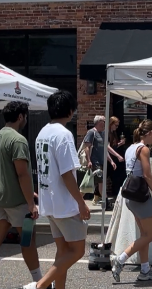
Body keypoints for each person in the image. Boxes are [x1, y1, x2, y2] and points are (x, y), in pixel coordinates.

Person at [21, 90, 90, 289]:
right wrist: (81, 203)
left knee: (63, 251)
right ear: (70, 111)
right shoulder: (64, 134)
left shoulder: (42, 132)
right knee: (77, 250)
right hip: (64, 203)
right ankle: (39, 286)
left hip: (49, 202)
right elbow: (67, 173)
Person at [111, 119, 152, 282]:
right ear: (150, 133)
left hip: (130, 195)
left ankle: (145, 269)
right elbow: (147, 175)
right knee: (151, 235)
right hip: (141, 196)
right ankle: (120, 259)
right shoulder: (144, 149)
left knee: (144, 235)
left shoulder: (130, 148)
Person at [0, 101, 46, 287]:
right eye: (25, 116)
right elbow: (22, 173)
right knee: (28, 241)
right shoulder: (18, 140)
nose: (26, 120)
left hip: (1, 199)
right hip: (19, 202)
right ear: (20, 117)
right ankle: (38, 281)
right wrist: (31, 203)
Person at [82, 115, 117, 205]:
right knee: (100, 183)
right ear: (98, 122)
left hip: (102, 162)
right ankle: (107, 203)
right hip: (95, 162)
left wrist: (111, 161)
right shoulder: (91, 132)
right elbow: (87, 148)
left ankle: (78, 199)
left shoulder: (103, 133)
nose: (105, 123)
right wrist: (89, 161)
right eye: (104, 121)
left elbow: (105, 150)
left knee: (91, 183)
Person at [108, 116, 126, 197]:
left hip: (114, 158)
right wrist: (118, 156)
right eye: (116, 125)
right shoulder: (107, 133)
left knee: (116, 176)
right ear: (111, 124)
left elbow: (113, 146)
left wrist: (120, 144)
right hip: (109, 158)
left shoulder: (114, 133)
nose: (117, 127)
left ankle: (116, 192)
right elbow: (108, 147)